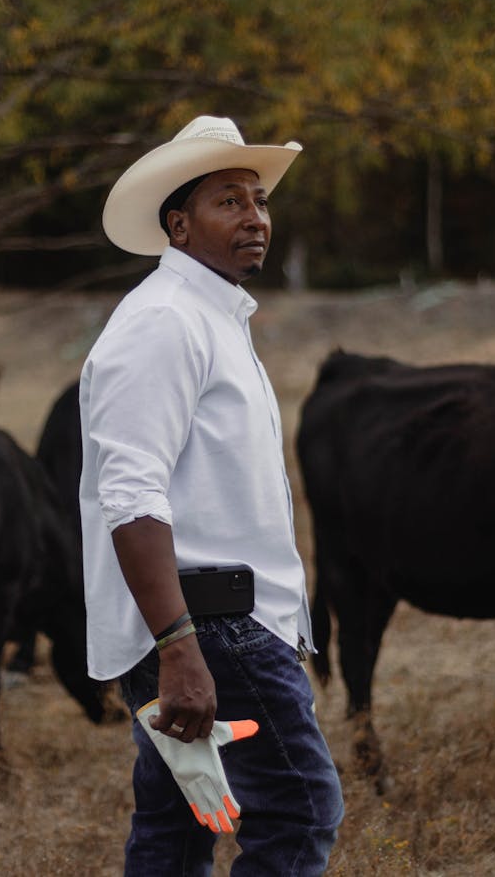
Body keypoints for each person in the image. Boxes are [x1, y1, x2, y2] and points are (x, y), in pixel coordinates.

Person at [79, 115, 344, 875]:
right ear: (179, 223)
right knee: (299, 811)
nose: (256, 217)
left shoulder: (212, 315)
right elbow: (127, 496)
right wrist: (177, 648)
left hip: (210, 621)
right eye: (229, 201)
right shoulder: (163, 322)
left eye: (259, 200)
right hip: (208, 624)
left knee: (182, 826)